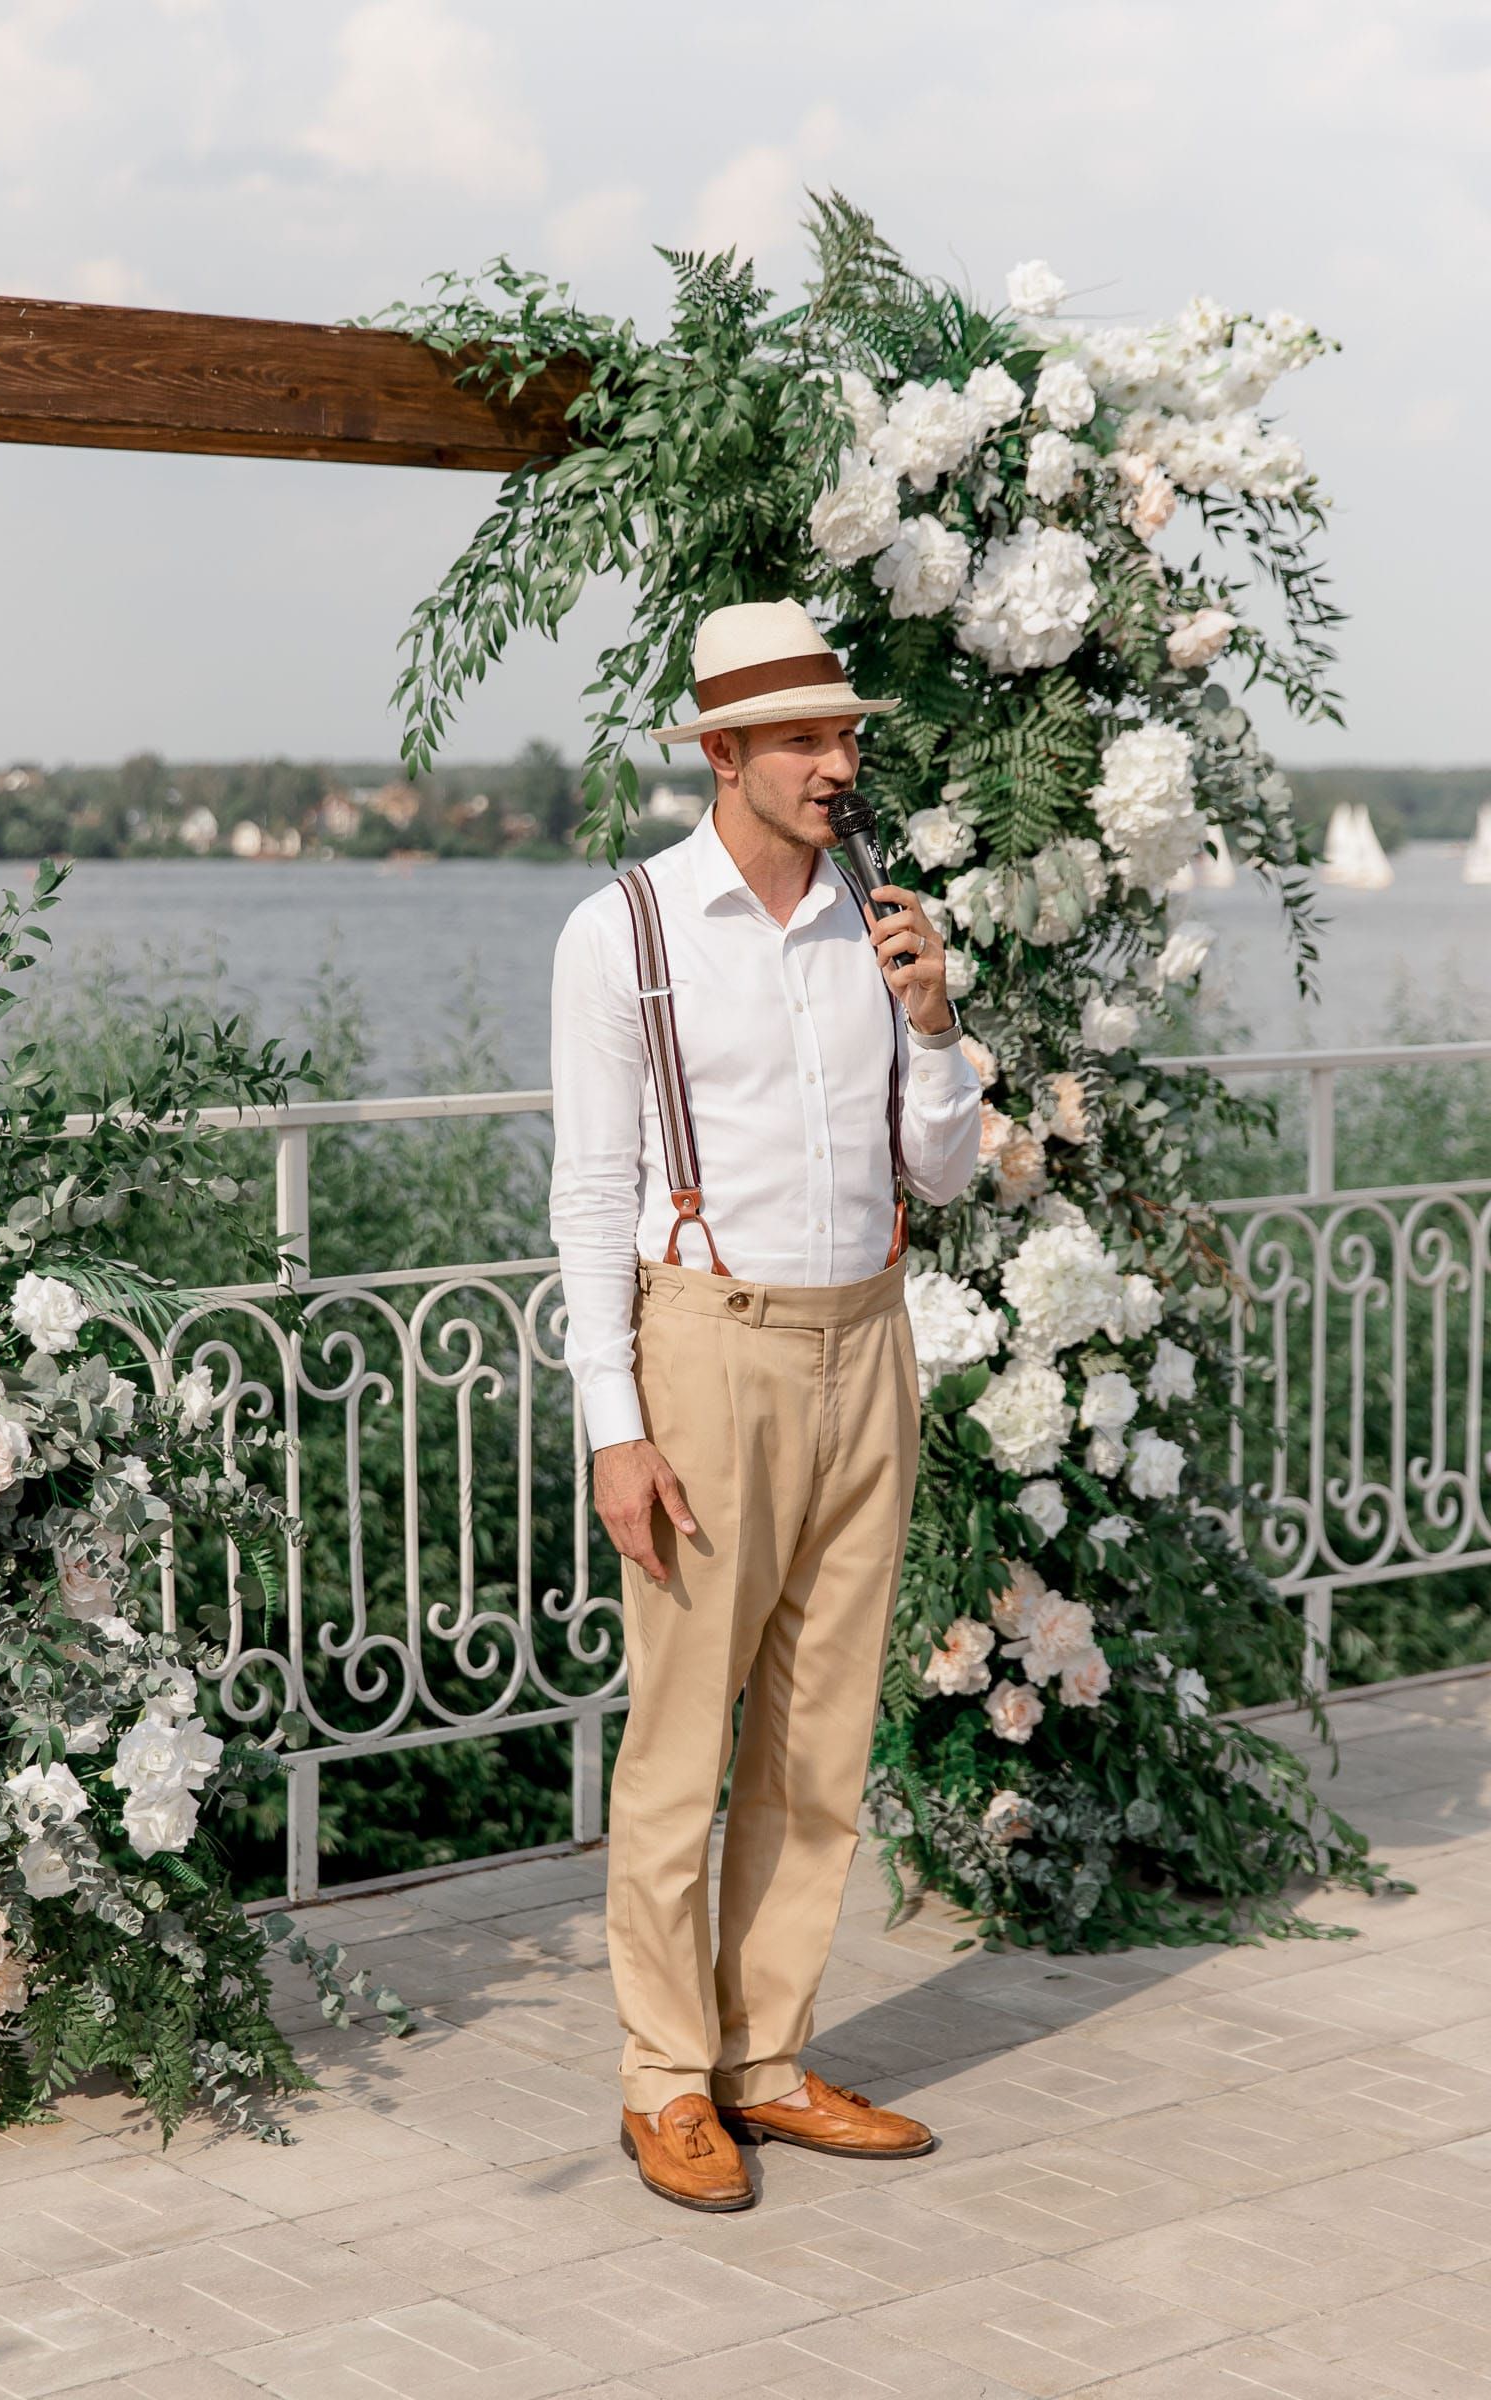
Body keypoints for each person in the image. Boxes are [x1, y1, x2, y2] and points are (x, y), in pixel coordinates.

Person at [549, 598, 984, 2213]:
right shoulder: (628, 933)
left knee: (821, 1734)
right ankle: (665, 2077)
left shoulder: (883, 923)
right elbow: (591, 1195)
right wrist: (615, 1422)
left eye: (847, 734)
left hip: (867, 1342)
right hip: (706, 1351)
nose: (839, 762)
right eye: (806, 738)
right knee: (680, 1740)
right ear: (722, 755)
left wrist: (937, 1024)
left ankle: (769, 2062)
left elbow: (937, 1168)